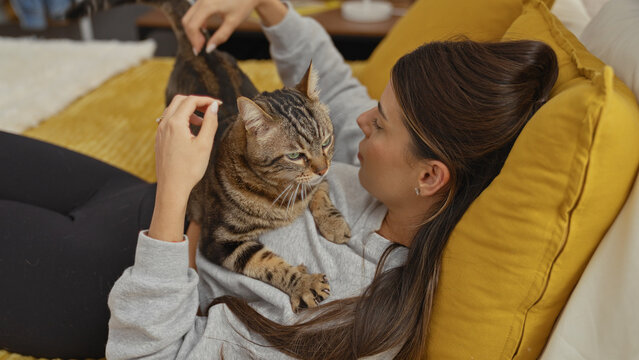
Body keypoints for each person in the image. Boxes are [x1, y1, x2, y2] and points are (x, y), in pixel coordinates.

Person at [0, 0, 558, 358]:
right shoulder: (387, 174)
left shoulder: (351, 305)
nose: (360, 119)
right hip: (133, 201)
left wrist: (174, 198)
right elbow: (333, 93)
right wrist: (268, 5)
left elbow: (151, 355)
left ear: (430, 176)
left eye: (380, 122)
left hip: (112, 282)